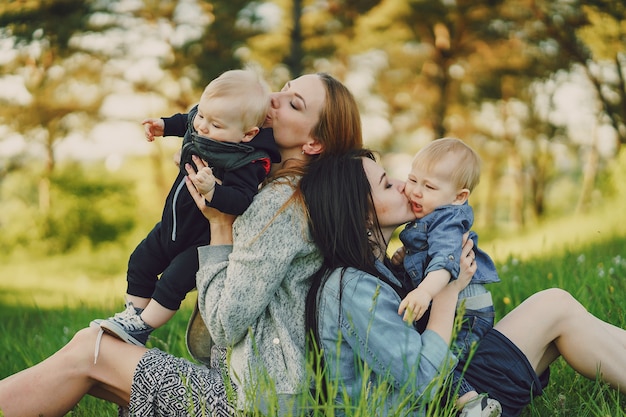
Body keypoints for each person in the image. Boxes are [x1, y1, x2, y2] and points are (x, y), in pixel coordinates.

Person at [0, 72, 363, 417]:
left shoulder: (283, 205)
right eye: (283, 87)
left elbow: (225, 324)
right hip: (243, 384)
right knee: (91, 346)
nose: (274, 98)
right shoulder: (271, 184)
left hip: (251, 400)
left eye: (293, 103)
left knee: (90, 351)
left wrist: (220, 226)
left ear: (314, 143)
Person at [302, 149, 626, 417]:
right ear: (360, 214)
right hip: (439, 405)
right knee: (554, 306)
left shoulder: (376, 269)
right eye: (387, 185)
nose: (404, 185)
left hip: (441, 397)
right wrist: (448, 291)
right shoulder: (351, 289)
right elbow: (425, 378)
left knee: (558, 309)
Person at [95, 69, 281, 347]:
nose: (203, 127)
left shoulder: (245, 161)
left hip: (200, 241)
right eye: (203, 116)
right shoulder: (202, 123)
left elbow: (242, 199)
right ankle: (131, 315)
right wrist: (164, 125)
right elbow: (187, 120)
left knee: (172, 282)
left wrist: (214, 191)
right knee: (140, 261)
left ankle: (144, 327)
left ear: (247, 134)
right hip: (170, 226)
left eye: (215, 124)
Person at [395, 138, 500, 415]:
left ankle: (473, 406)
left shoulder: (447, 219)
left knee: (442, 360)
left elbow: (444, 262)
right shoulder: (430, 213)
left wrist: (425, 292)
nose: (416, 191)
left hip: (466, 313)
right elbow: (422, 252)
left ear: (459, 197)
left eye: (429, 186)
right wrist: (403, 257)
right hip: (455, 308)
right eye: (413, 180)